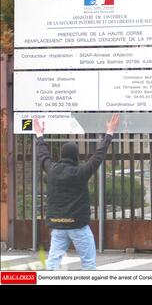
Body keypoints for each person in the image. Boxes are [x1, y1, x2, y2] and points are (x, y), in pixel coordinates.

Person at [34, 114, 120, 270]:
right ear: (75, 156)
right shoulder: (81, 172)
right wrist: (110, 132)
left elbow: (43, 155)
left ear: (61, 156)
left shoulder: (51, 170)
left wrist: (39, 134)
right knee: (88, 263)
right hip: (78, 225)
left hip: (58, 226)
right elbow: (98, 156)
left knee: (53, 263)